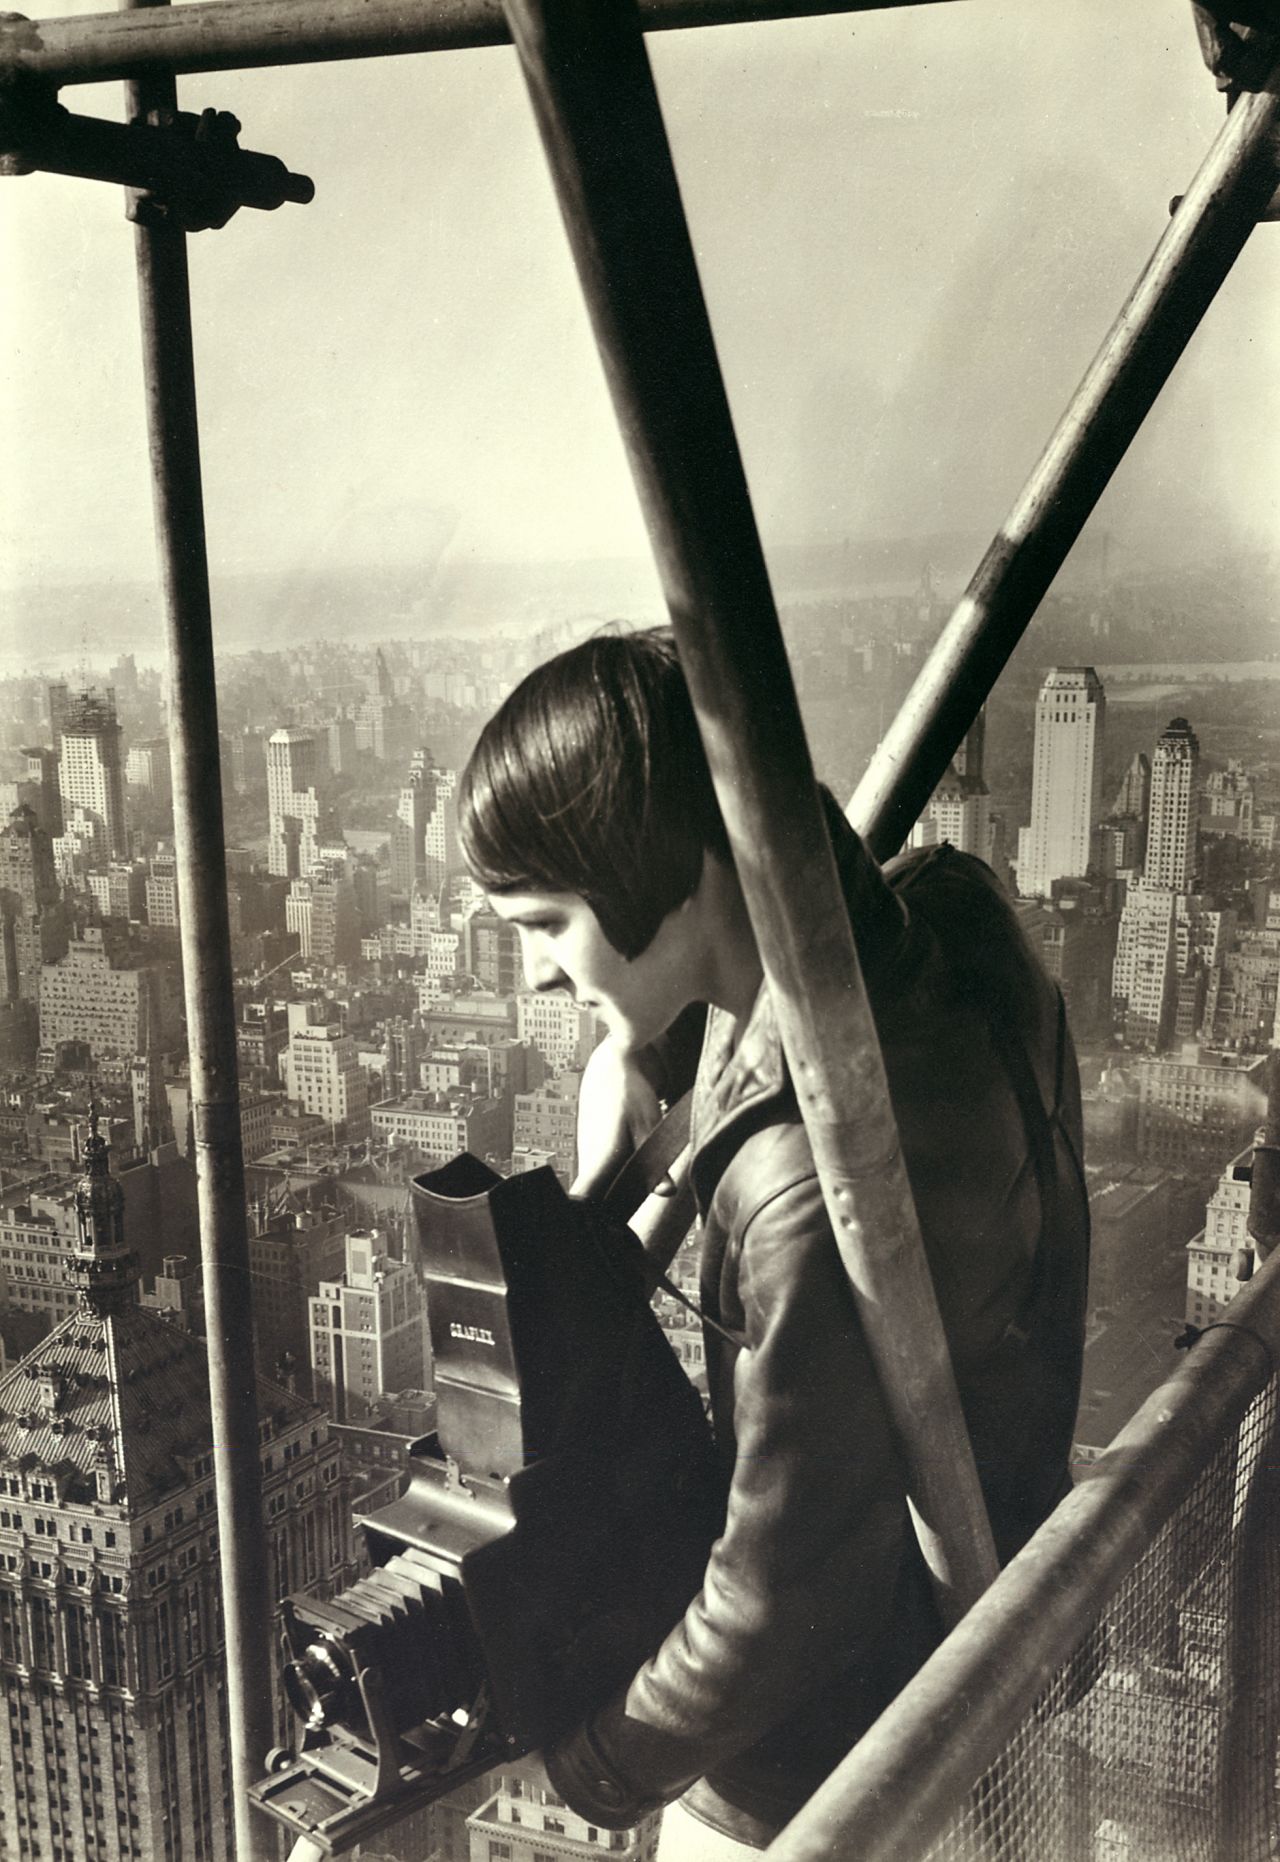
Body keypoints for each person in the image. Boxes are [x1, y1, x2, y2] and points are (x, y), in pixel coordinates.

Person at [458, 627, 1090, 1855]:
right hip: (986, 1631)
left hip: (828, 1758)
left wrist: (585, 1764)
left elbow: (776, 1599)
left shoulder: (808, 1182)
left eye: (545, 922)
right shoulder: (952, 928)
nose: (538, 974)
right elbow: (813, 952)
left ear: (652, 867)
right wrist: (656, 1065)